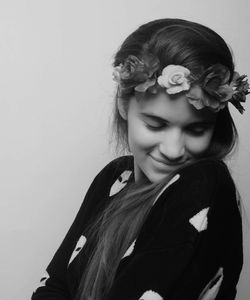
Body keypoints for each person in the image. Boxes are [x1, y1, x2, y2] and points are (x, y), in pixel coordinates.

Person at [32, 18, 249, 300]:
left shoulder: (206, 183)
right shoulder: (115, 178)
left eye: (196, 129)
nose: (173, 150)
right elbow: (55, 285)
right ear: (124, 105)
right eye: (156, 125)